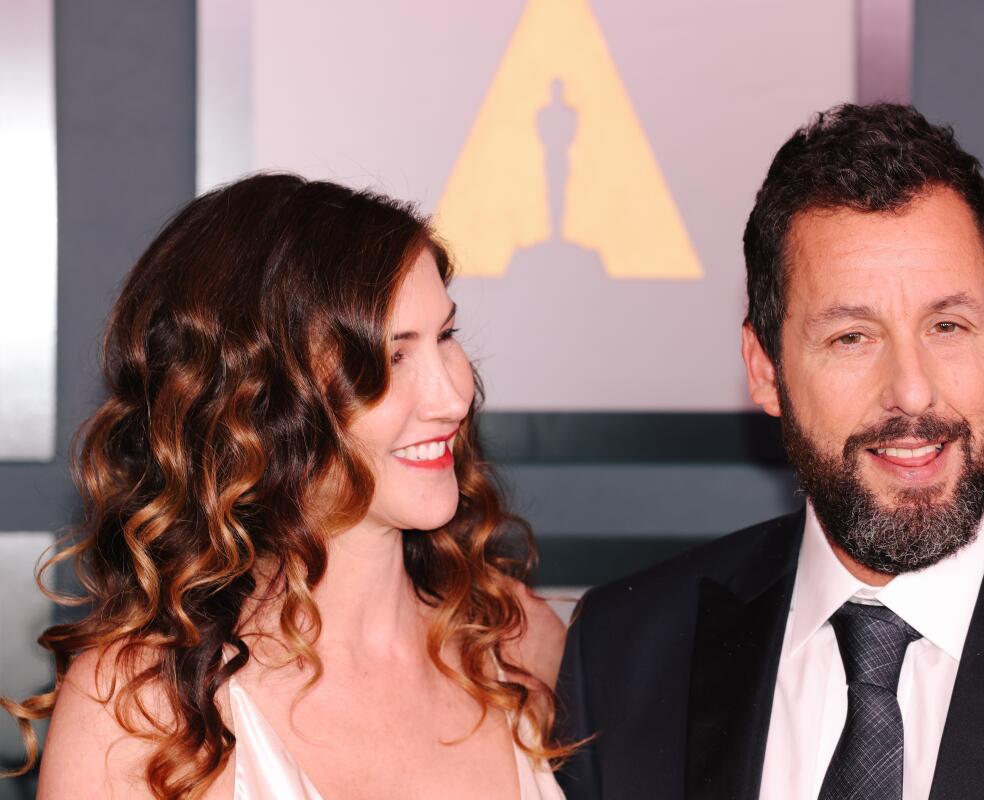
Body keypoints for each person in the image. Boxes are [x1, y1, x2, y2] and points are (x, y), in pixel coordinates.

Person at [554, 104, 984, 800]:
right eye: (851, 338)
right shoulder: (625, 653)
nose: (913, 394)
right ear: (765, 367)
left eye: (948, 326)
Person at [2, 174, 571, 799]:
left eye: (446, 338)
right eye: (390, 358)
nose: (453, 396)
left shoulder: (517, 645)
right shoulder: (142, 715)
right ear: (261, 405)